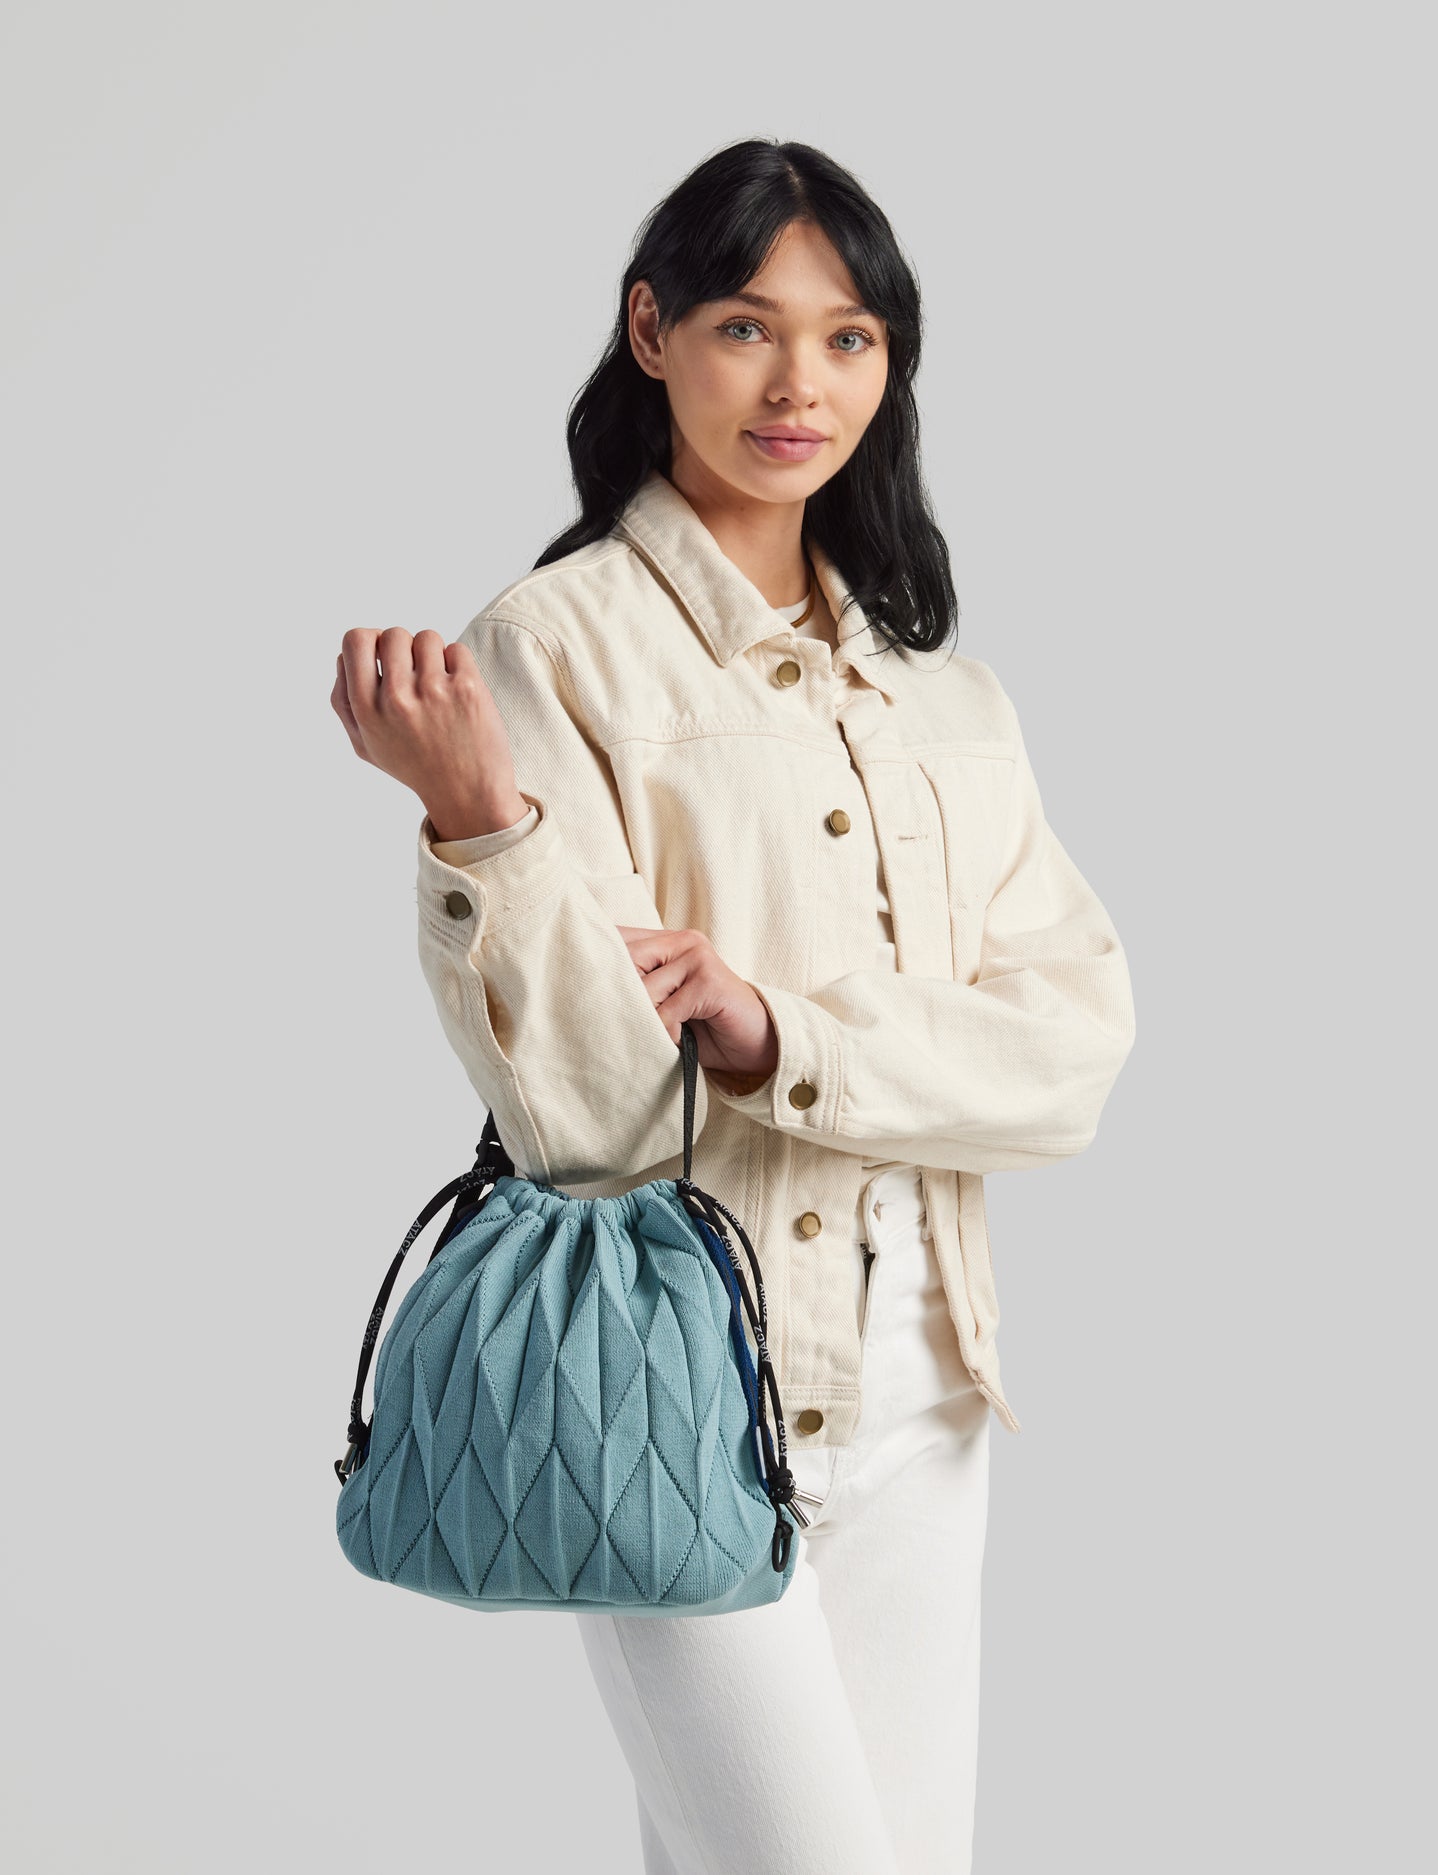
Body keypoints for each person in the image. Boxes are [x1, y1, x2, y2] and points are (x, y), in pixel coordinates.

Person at [330, 137, 1136, 1875]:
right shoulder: (554, 648)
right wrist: (479, 826)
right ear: (652, 333)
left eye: (850, 338)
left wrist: (786, 1035)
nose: (799, 386)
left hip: (929, 1383)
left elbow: (1070, 1056)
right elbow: (592, 1115)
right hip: (680, 1376)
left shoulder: (947, 699)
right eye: (746, 327)